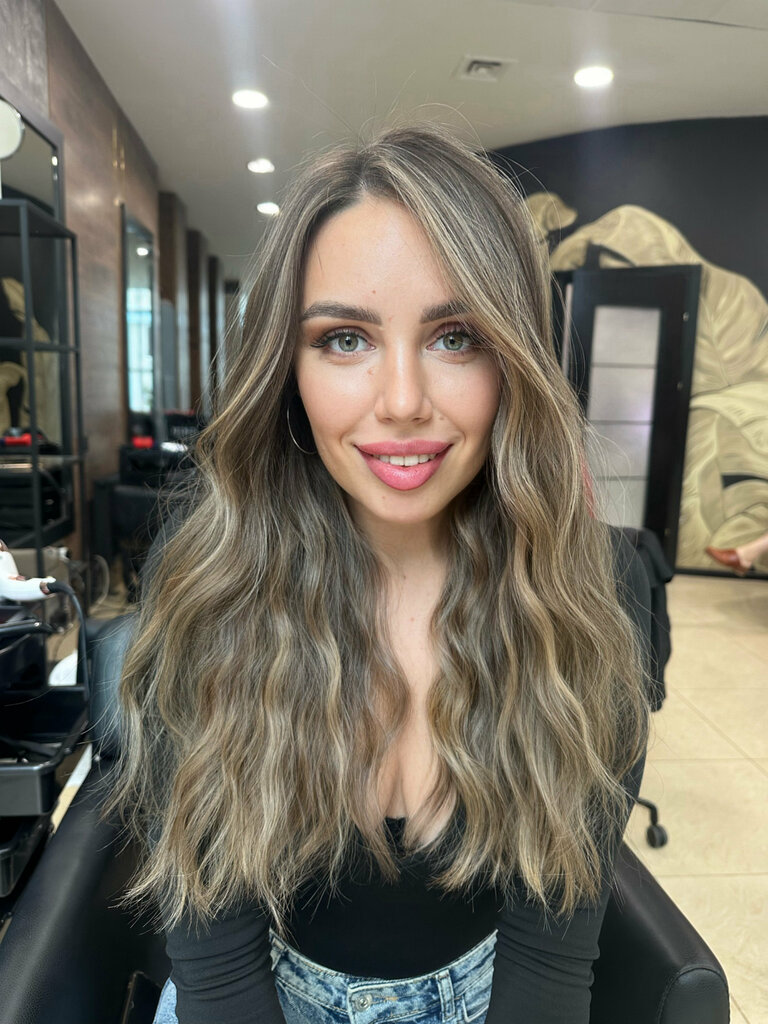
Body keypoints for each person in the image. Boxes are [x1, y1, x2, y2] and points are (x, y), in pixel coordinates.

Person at [106, 123, 652, 1024]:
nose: (402, 402)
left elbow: (551, 963)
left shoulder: (588, 594)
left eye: (456, 337)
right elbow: (216, 965)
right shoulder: (209, 579)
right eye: (345, 340)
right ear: (287, 367)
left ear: (514, 359)